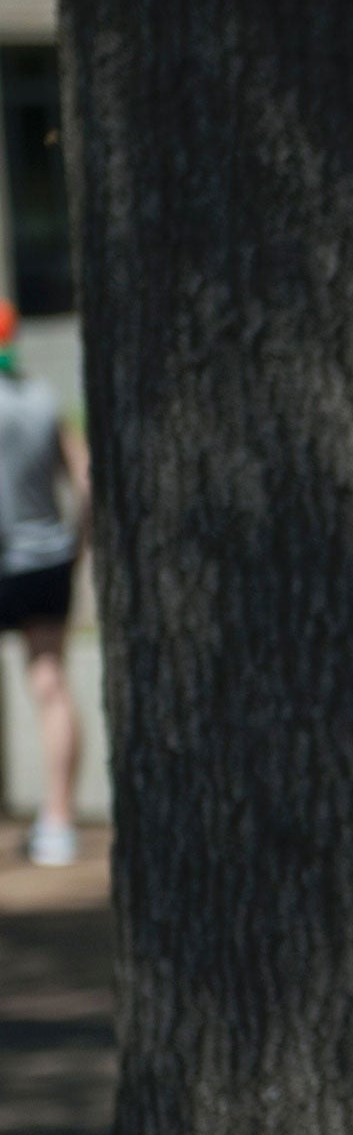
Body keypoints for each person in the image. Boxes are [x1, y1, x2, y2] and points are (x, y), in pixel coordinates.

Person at [0, 299, 90, 867]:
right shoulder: (41, 400)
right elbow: (85, 478)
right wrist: (75, 547)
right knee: (49, 682)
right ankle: (58, 821)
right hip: (45, 561)